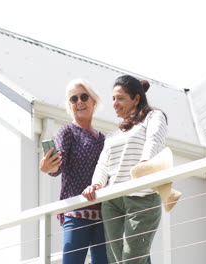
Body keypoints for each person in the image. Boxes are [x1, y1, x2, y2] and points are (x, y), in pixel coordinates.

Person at [82, 75, 168, 264]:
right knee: (115, 260)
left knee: (131, 259)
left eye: (120, 98)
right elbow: (103, 164)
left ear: (136, 99)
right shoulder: (114, 134)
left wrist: (145, 163)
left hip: (142, 197)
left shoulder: (153, 117)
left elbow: (154, 140)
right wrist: (96, 184)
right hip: (112, 200)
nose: (114, 103)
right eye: (113, 99)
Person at [40, 79, 107, 264]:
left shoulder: (103, 139)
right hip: (76, 211)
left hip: (103, 214)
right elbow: (57, 165)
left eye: (84, 97)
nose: (79, 102)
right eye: (73, 99)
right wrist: (49, 167)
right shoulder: (67, 132)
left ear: (93, 101)